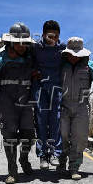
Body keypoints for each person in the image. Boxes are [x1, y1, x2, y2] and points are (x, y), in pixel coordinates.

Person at [0, 22, 36, 184]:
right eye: (21, 43)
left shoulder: (30, 57)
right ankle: (12, 170)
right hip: (7, 103)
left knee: (28, 136)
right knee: (9, 137)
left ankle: (24, 160)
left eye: (26, 43)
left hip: (26, 102)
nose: (24, 46)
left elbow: (44, 50)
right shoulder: (1, 59)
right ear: (13, 43)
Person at [59, 37, 93, 180]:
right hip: (63, 104)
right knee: (63, 135)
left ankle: (74, 167)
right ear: (67, 53)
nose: (74, 57)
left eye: (77, 54)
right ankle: (62, 160)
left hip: (82, 106)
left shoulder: (89, 65)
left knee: (79, 137)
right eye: (72, 54)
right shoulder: (61, 65)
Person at [31, 20, 66, 170]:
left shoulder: (63, 49)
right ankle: (43, 155)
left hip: (56, 89)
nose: (53, 39)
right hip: (40, 88)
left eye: (56, 36)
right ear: (44, 35)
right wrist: (33, 71)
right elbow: (25, 58)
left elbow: (79, 56)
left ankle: (54, 153)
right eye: (50, 36)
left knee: (55, 120)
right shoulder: (36, 48)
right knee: (41, 120)